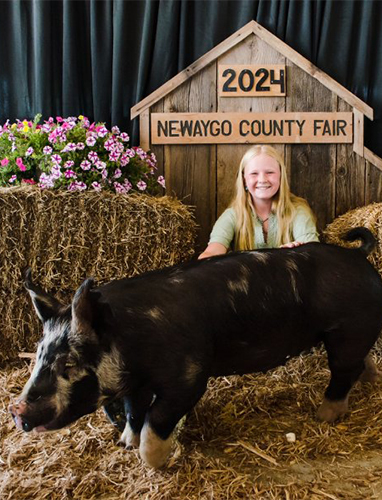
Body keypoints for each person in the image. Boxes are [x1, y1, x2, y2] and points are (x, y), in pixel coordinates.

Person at [199, 145, 319, 259]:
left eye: (270, 172)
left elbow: (314, 253)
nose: (262, 179)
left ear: (281, 176)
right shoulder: (233, 215)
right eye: (254, 174)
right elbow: (212, 252)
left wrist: (294, 255)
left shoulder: (297, 210)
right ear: (244, 180)